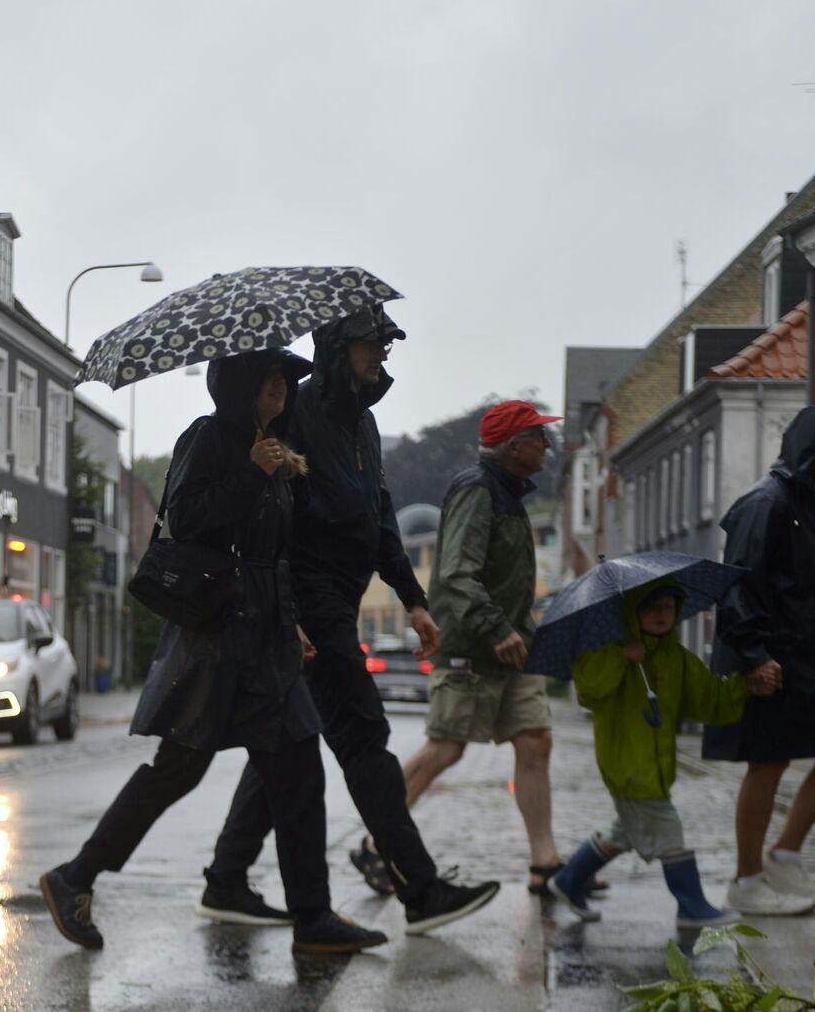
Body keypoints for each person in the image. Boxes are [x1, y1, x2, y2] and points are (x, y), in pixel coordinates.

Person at [39, 348, 388, 955]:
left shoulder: (276, 451)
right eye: (270, 377)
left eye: (286, 379)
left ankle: (313, 918)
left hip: (268, 642)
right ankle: (74, 878)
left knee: (300, 768)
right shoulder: (209, 438)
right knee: (176, 771)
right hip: (219, 642)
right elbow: (185, 518)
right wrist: (252, 472)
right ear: (241, 385)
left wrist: (295, 620)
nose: (281, 386)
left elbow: (273, 554)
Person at [198, 310, 501, 937]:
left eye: (387, 345)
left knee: (283, 745)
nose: (383, 355)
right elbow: (274, 517)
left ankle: (227, 879)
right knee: (364, 740)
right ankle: (419, 888)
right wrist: (290, 612)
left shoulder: (363, 423)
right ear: (338, 348)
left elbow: (379, 515)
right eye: (373, 344)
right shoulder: (297, 414)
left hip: (338, 595)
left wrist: (413, 598)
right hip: (310, 601)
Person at [398, 400, 573, 897]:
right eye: (539, 437)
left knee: (535, 741)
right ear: (514, 446)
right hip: (475, 647)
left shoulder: (509, 493)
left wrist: (517, 631)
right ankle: (377, 840)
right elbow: (455, 573)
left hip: (513, 646)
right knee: (446, 748)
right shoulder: (478, 490)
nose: (546, 445)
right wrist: (496, 628)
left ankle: (545, 860)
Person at [703, 406, 815, 917]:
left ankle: (785, 854)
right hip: (769, 658)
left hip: (807, 656)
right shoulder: (766, 504)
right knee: (768, 762)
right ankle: (747, 880)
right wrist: (753, 658)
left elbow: (785, 577)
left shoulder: (807, 503)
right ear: (813, 451)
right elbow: (735, 588)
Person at [548, 580, 784, 927]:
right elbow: (589, 689)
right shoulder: (606, 650)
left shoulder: (676, 659)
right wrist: (620, 656)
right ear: (633, 613)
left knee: (625, 832)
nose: (661, 614)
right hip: (627, 764)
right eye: (651, 607)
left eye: (668, 607)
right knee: (667, 829)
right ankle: (691, 905)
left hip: (656, 766)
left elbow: (708, 698)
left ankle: (568, 880)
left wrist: (745, 685)